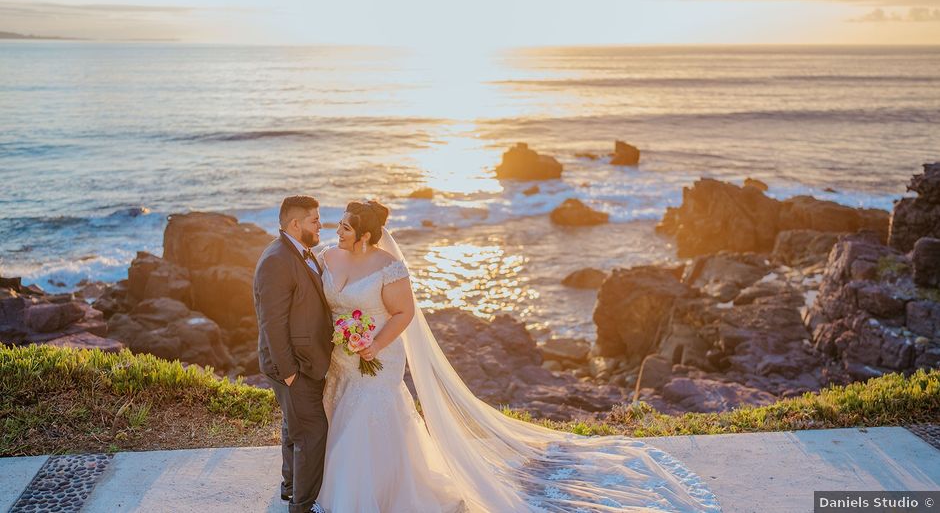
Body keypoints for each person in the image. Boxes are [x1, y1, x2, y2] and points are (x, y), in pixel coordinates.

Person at [315, 199, 722, 512]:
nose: (338, 231)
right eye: (339, 225)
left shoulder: (388, 267)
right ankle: (359, 488)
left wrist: (375, 344)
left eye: (345, 227)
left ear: (365, 235)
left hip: (379, 356)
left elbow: (404, 313)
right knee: (343, 415)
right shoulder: (329, 256)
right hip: (343, 357)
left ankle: (365, 498)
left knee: (367, 418)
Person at [254, 195, 333, 513]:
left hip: (304, 362)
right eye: (315, 220)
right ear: (296, 224)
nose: (321, 224)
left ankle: (290, 487)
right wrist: (288, 371)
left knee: (293, 426)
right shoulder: (277, 259)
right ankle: (303, 505)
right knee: (312, 433)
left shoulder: (302, 253)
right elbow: (272, 323)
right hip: (292, 365)